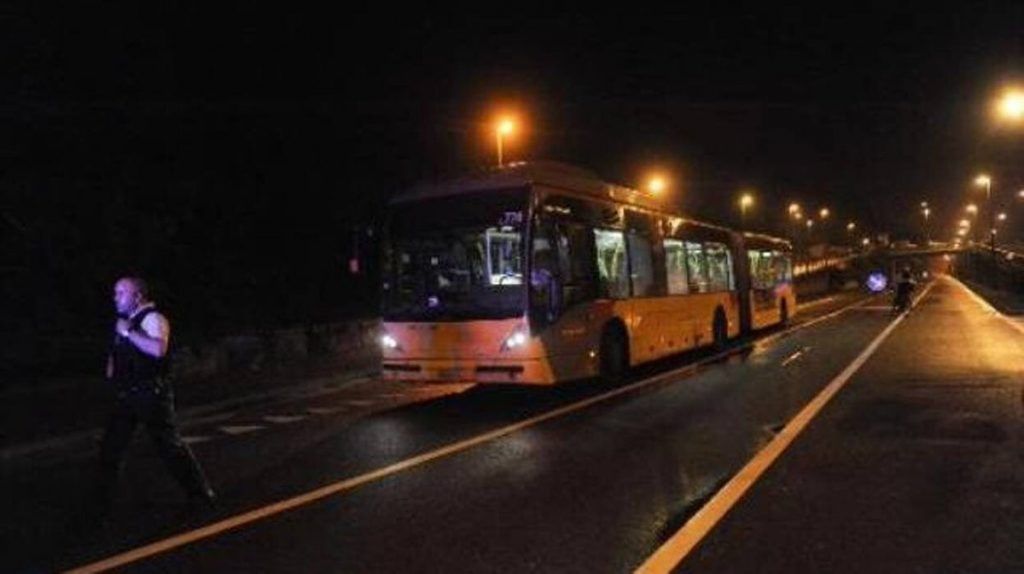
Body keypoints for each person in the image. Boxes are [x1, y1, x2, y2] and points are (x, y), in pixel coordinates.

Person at [95, 276, 215, 517]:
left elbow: (158, 350)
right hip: (127, 396)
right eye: (115, 293)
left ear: (137, 296)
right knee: (111, 448)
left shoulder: (153, 319)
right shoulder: (125, 322)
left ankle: (200, 493)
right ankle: (100, 505)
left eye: (121, 293)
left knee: (169, 447)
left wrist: (128, 332)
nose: (115, 298)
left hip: (152, 395)